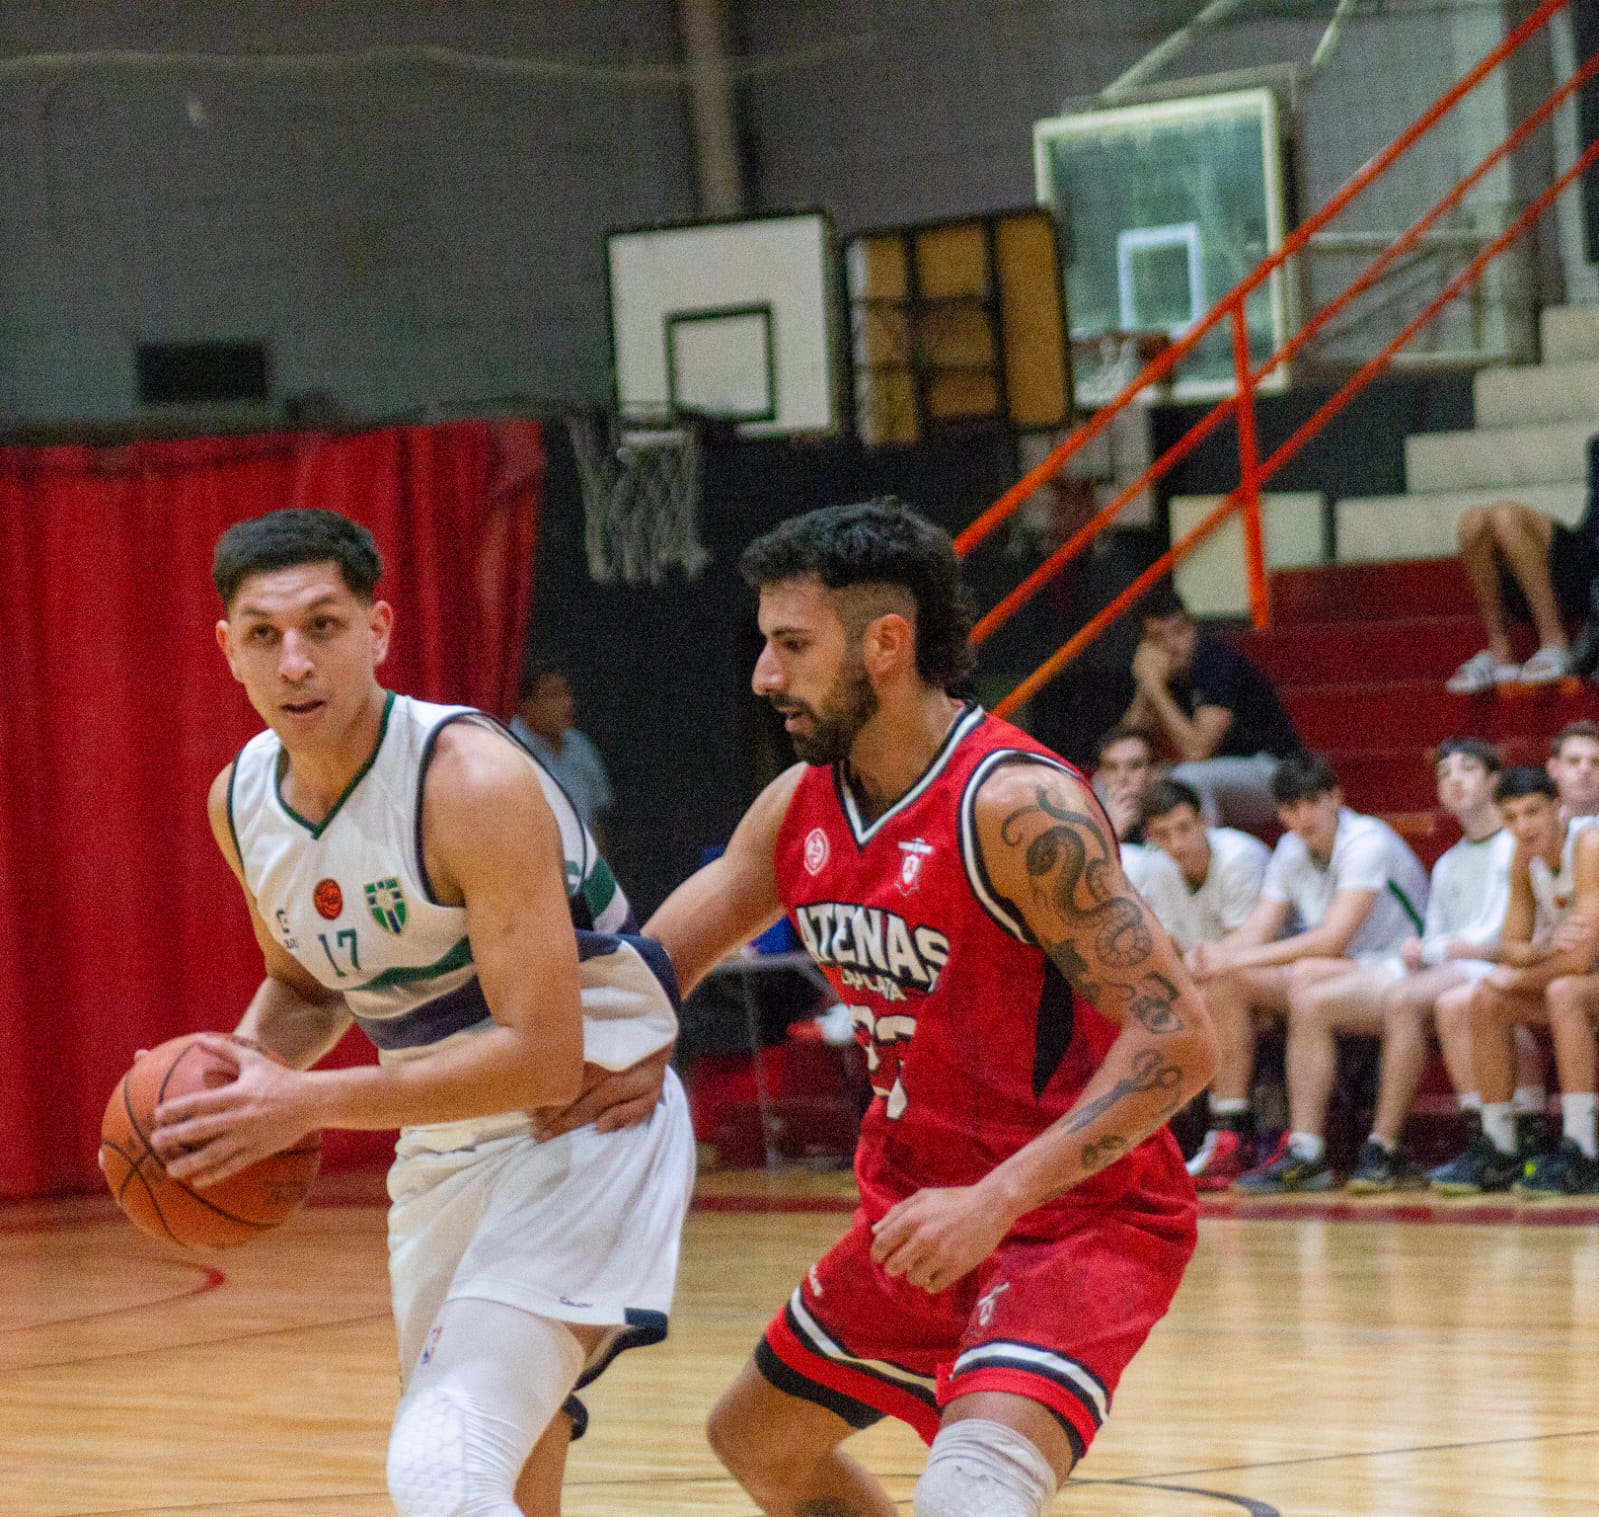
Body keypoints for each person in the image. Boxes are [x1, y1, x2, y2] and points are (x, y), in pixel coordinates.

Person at [644, 499, 1216, 1517]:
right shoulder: (799, 805)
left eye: (790, 645)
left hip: (1066, 1219)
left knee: (972, 1491)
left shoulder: (1015, 807)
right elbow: (645, 971)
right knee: (756, 1441)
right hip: (911, 1209)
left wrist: (995, 1199)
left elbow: (1181, 1037)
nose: (763, 676)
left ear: (886, 644)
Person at [147, 508, 694, 1517]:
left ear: (380, 629)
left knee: (444, 1465)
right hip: (444, 1136)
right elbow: (311, 989)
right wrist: (229, 1078)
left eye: (325, 624)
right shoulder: (241, 800)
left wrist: (302, 1105)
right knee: (509, 1477)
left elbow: (540, 1056)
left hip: (583, 1114)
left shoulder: (467, 779)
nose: (296, 659)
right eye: (264, 634)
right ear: (229, 650)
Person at [1236, 739, 1517, 1193]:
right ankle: (1304, 1148)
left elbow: (1333, 939)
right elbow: (1434, 934)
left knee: (1389, 996)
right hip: (1413, 964)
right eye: (1446, 773)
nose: (1455, 779)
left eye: (1467, 769)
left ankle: (1386, 1144)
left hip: (1419, 967)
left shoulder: (1371, 841)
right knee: (1306, 993)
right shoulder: (1449, 862)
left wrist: (1435, 952)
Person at [1185, 751, 1429, 1193]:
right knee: (1228, 982)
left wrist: (1235, 958)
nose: (1303, 815)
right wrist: (1214, 956)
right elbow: (1258, 929)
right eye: (1291, 807)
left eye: (1313, 801)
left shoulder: (1366, 842)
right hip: (1338, 971)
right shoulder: (1291, 849)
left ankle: (1314, 1147)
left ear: (1335, 797)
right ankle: (1233, 1129)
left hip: (1400, 967)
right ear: (1280, 813)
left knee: (1305, 983)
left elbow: (1331, 939)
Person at [1429, 766, 1599, 1196]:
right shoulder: (1525, 858)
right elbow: (1512, 945)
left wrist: (1518, 973)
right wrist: (1539, 954)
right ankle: (1500, 1146)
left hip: (1585, 976)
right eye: (1511, 817)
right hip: (1584, 980)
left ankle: (1584, 1148)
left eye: (1533, 812)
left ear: (1558, 807)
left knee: (1560, 991)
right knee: (1487, 998)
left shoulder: (1590, 845)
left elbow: (1580, 959)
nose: (1523, 827)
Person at [1139, 778, 1271, 1188]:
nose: (1177, 843)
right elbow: (1173, 948)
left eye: (1184, 828)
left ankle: (1230, 1130)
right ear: (1149, 837)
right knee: (1151, 1001)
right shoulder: (1155, 867)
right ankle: (1153, 1140)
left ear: (1205, 820)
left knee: (1219, 987)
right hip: (1208, 979)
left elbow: (1251, 942)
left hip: (1271, 972)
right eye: (1163, 834)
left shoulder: (1241, 856)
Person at [1120, 586, 1301, 833]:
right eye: (1159, 638)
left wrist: (1154, 686)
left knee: (1189, 778)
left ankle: (1204, 862)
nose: (1172, 645)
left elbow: (1197, 750)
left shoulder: (1217, 663)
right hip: (1223, 774)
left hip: (1273, 773)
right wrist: (1145, 685)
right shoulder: (1164, 673)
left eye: (1179, 631)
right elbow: (1125, 744)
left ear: (1193, 628)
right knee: (1115, 776)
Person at [1444, 435, 1599, 692]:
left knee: (1506, 516)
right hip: (1588, 550)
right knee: (1472, 522)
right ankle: (1501, 653)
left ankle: (1554, 641)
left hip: (1587, 576)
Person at [1089, 724, 1194, 949]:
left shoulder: (1181, 807)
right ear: (1100, 776)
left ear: (1155, 772)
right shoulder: (1085, 820)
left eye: (1135, 766)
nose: (1122, 778)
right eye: (1111, 768)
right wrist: (1111, 832)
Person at [510, 665, 616, 853]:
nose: (567, 703)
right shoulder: (508, 748)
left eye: (566, 692)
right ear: (526, 704)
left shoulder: (581, 748)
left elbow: (596, 820)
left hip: (583, 870)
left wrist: (601, 878)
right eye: (553, 695)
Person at [1548, 719, 1599, 820]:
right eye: (1574, 761)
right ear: (1553, 768)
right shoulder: (1540, 829)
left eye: (1595, 762)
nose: (1585, 769)